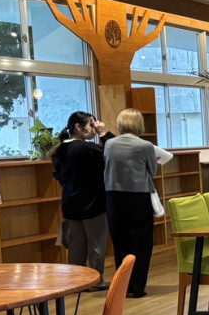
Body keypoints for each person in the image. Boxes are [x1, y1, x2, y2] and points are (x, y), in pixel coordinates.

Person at [104, 108, 171, 299]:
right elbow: (152, 171)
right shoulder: (145, 146)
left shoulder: (109, 144)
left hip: (113, 197)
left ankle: (122, 287)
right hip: (138, 197)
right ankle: (138, 286)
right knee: (141, 242)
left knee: (120, 242)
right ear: (139, 124)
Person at [50, 111, 113, 289]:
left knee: (76, 246)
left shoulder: (58, 150)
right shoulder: (85, 149)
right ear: (78, 127)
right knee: (96, 245)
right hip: (93, 203)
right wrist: (103, 133)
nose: (94, 129)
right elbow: (114, 150)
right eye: (91, 125)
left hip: (71, 204)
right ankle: (96, 281)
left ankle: (77, 282)